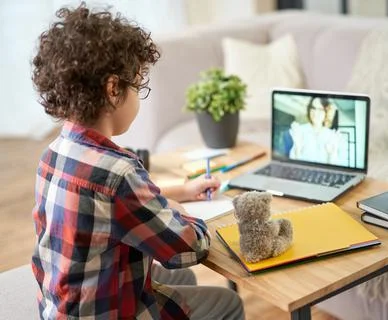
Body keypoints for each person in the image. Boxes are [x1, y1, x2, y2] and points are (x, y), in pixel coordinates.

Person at [30, 3, 244, 319]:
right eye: (138, 86)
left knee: (179, 280)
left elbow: (112, 206)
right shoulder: (118, 172)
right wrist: (180, 212)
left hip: (60, 308)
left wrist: (178, 193)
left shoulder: (53, 154)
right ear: (114, 89)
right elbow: (188, 248)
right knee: (228, 303)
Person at [289, 97, 342, 164]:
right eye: (313, 108)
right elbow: (293, 165)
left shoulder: (331, 135)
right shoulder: (300, 131)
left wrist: (332, 153)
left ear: (326, 112)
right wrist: (298, 148)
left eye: (320, 109)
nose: (315, 113)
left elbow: (335, 169)